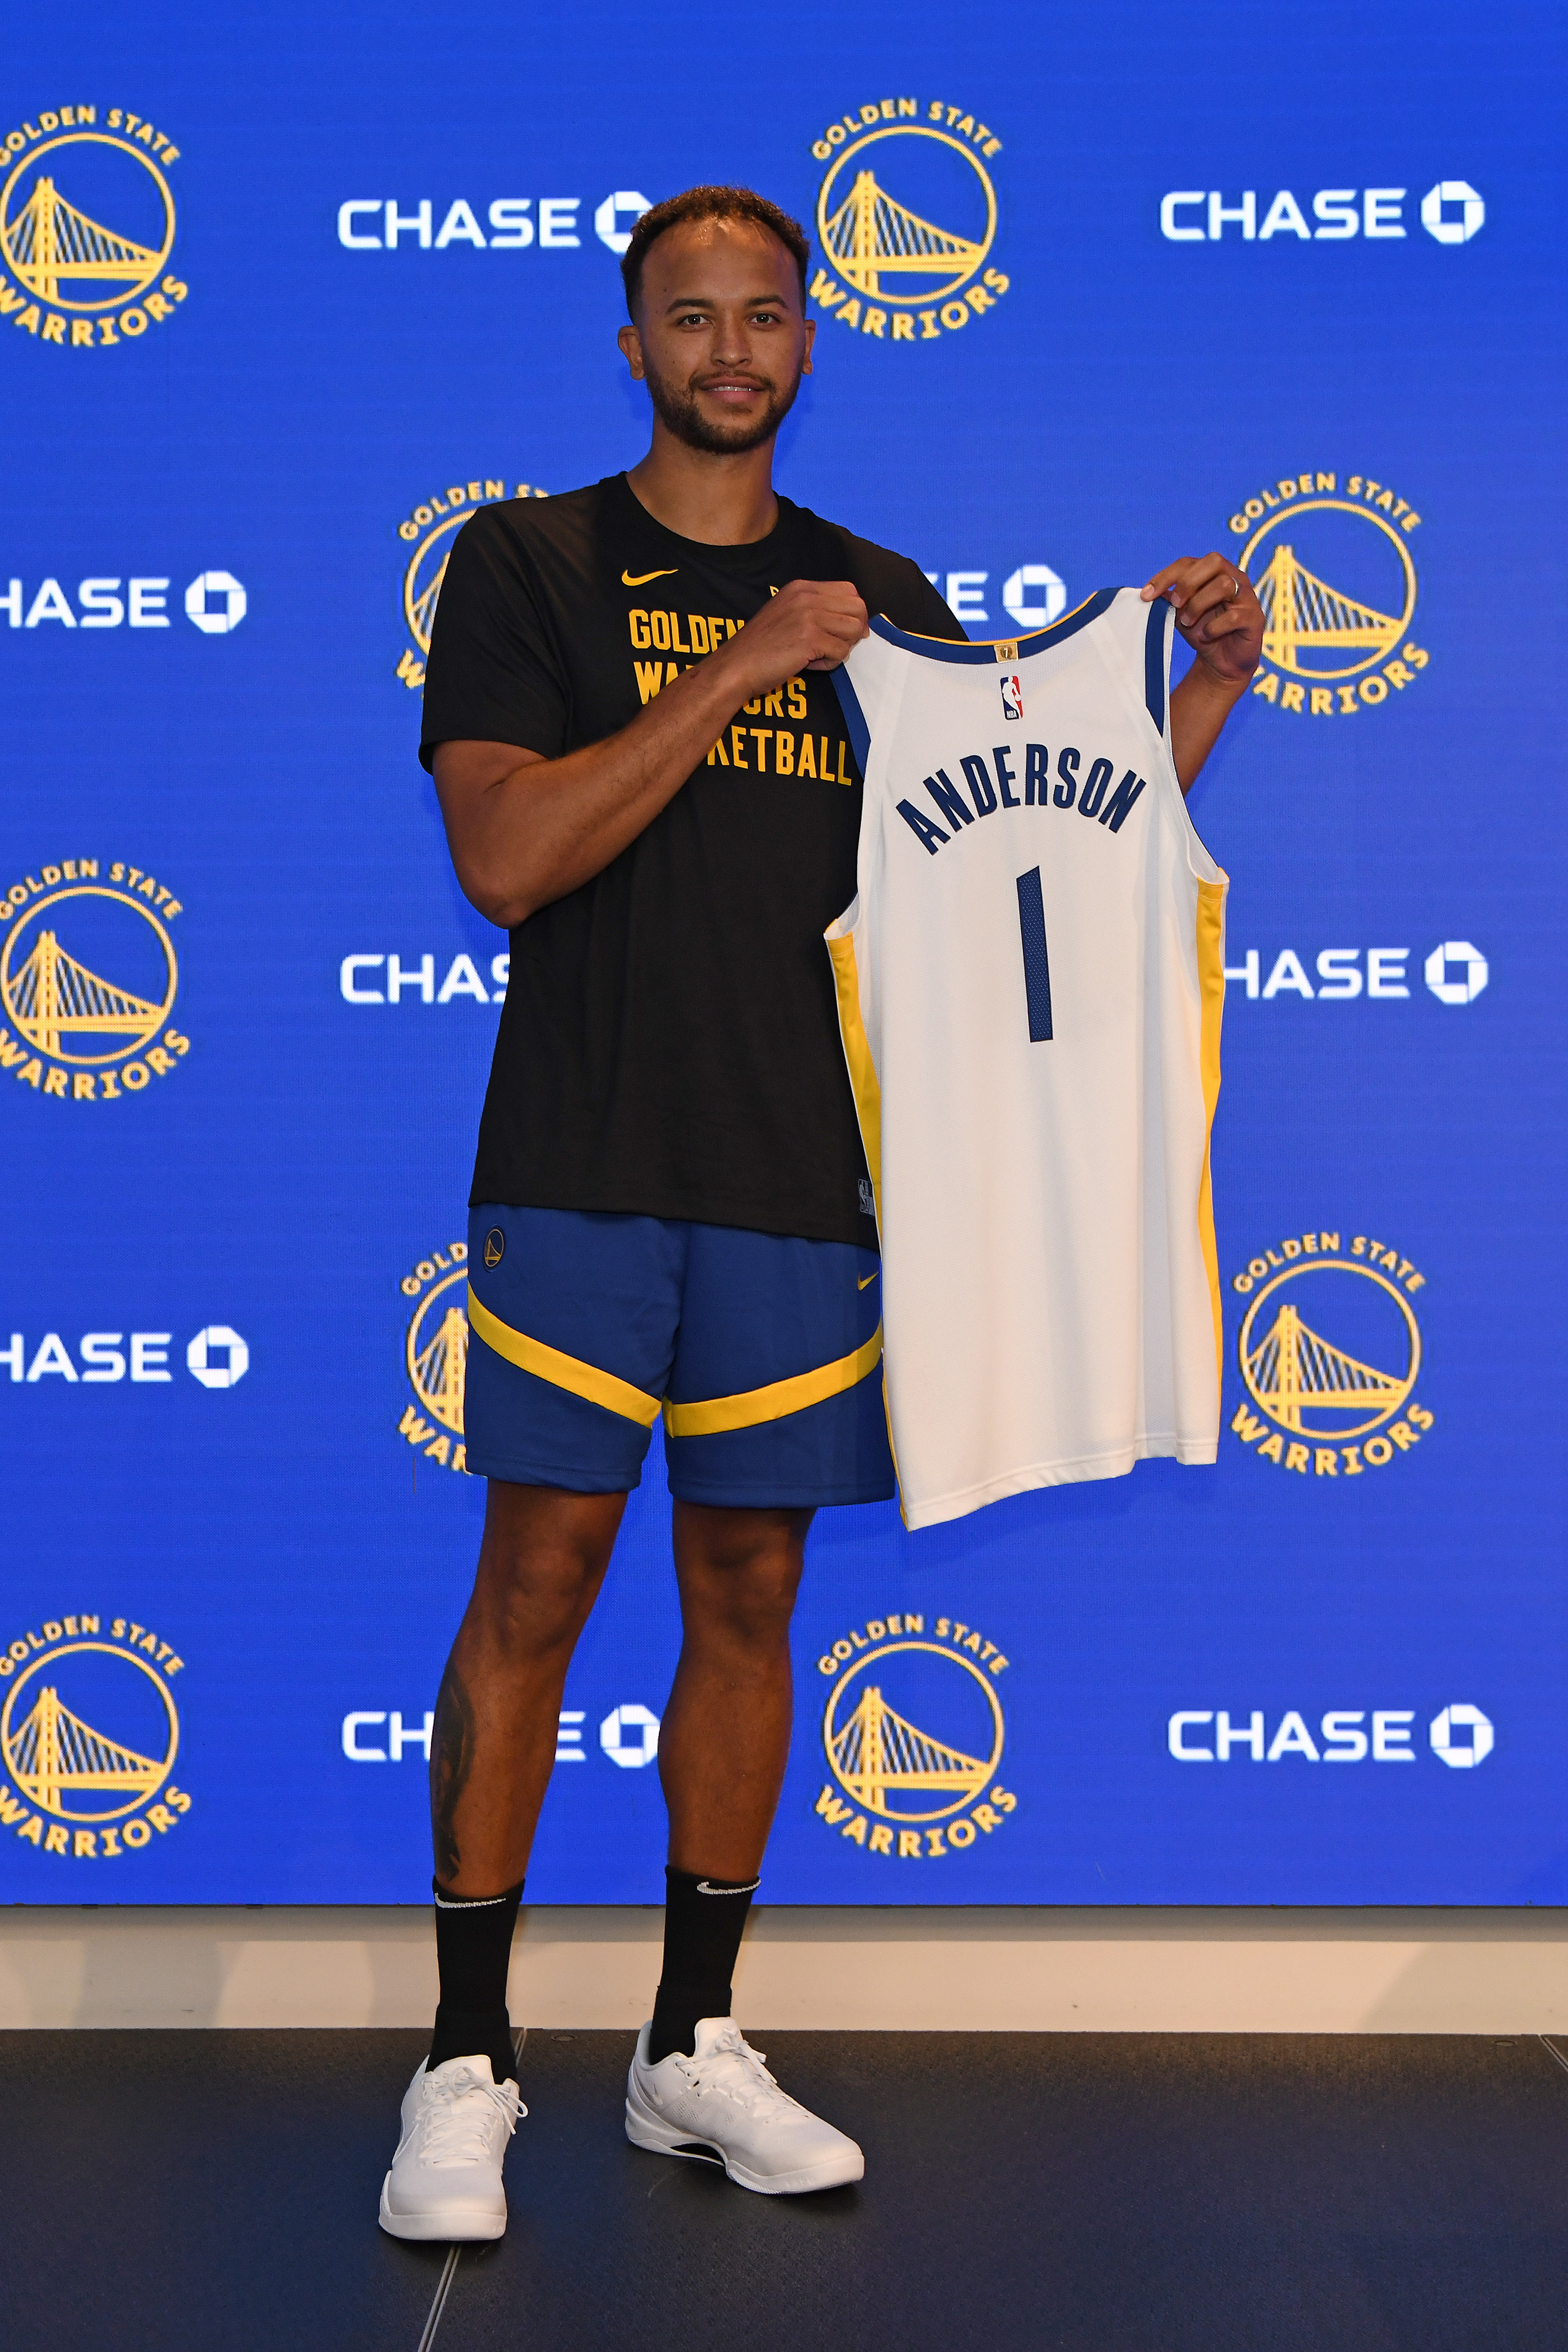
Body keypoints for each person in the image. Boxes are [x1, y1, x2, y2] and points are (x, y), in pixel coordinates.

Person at [378, 184, 1263, 2240]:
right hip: (584, 1159)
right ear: (633, 346)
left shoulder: (877, 587)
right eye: (687, 315)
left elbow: (1021, 871)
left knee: (752, 1597)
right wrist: (748, 663)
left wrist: (1191, 701)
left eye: (763, 313)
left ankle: (689, 2044)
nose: (729, 346)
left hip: (805, 1182)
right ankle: (464, 2055)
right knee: (537, 1583)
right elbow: (504, 856)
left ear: (806, 338)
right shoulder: (529, 560)